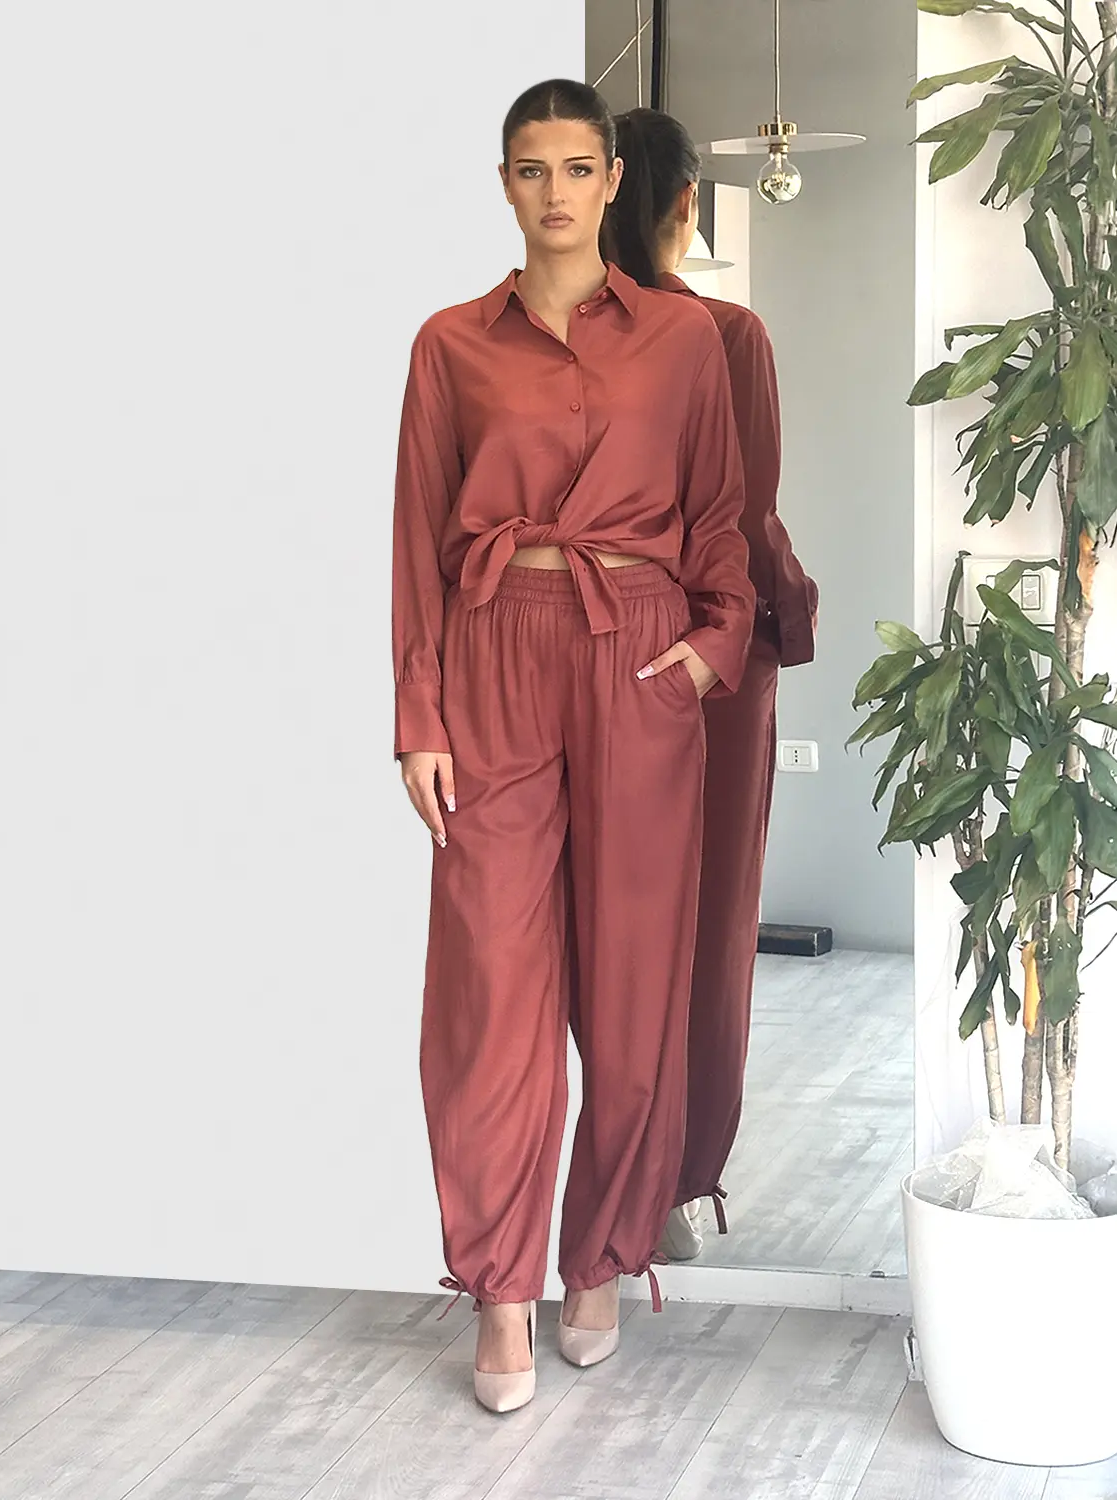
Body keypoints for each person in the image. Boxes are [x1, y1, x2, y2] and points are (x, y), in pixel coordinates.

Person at [391, 79, 755, 1413]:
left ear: (611, 181)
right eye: (530, 169)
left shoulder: (683, 341)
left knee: (633, 983)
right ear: (505, 184)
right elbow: (414, 540)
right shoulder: (448, 344)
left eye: (576, 168)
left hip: (636, 653)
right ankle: (500, 1291)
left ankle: (600, 1255)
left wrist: (710, 647)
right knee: (490, 989)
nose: (554, 191)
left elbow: (717, 517)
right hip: (494, 646)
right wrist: (419, 718)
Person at [604, 107, 818, 1262]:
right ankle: (672, 1186)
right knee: (706, 919)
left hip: (578, 655)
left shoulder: (542, 338)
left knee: (591, 915)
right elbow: (744, 518)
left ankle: (588, 1170)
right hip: (711, 665)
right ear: (687, 206)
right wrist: (792, 608)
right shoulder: (727, 336)